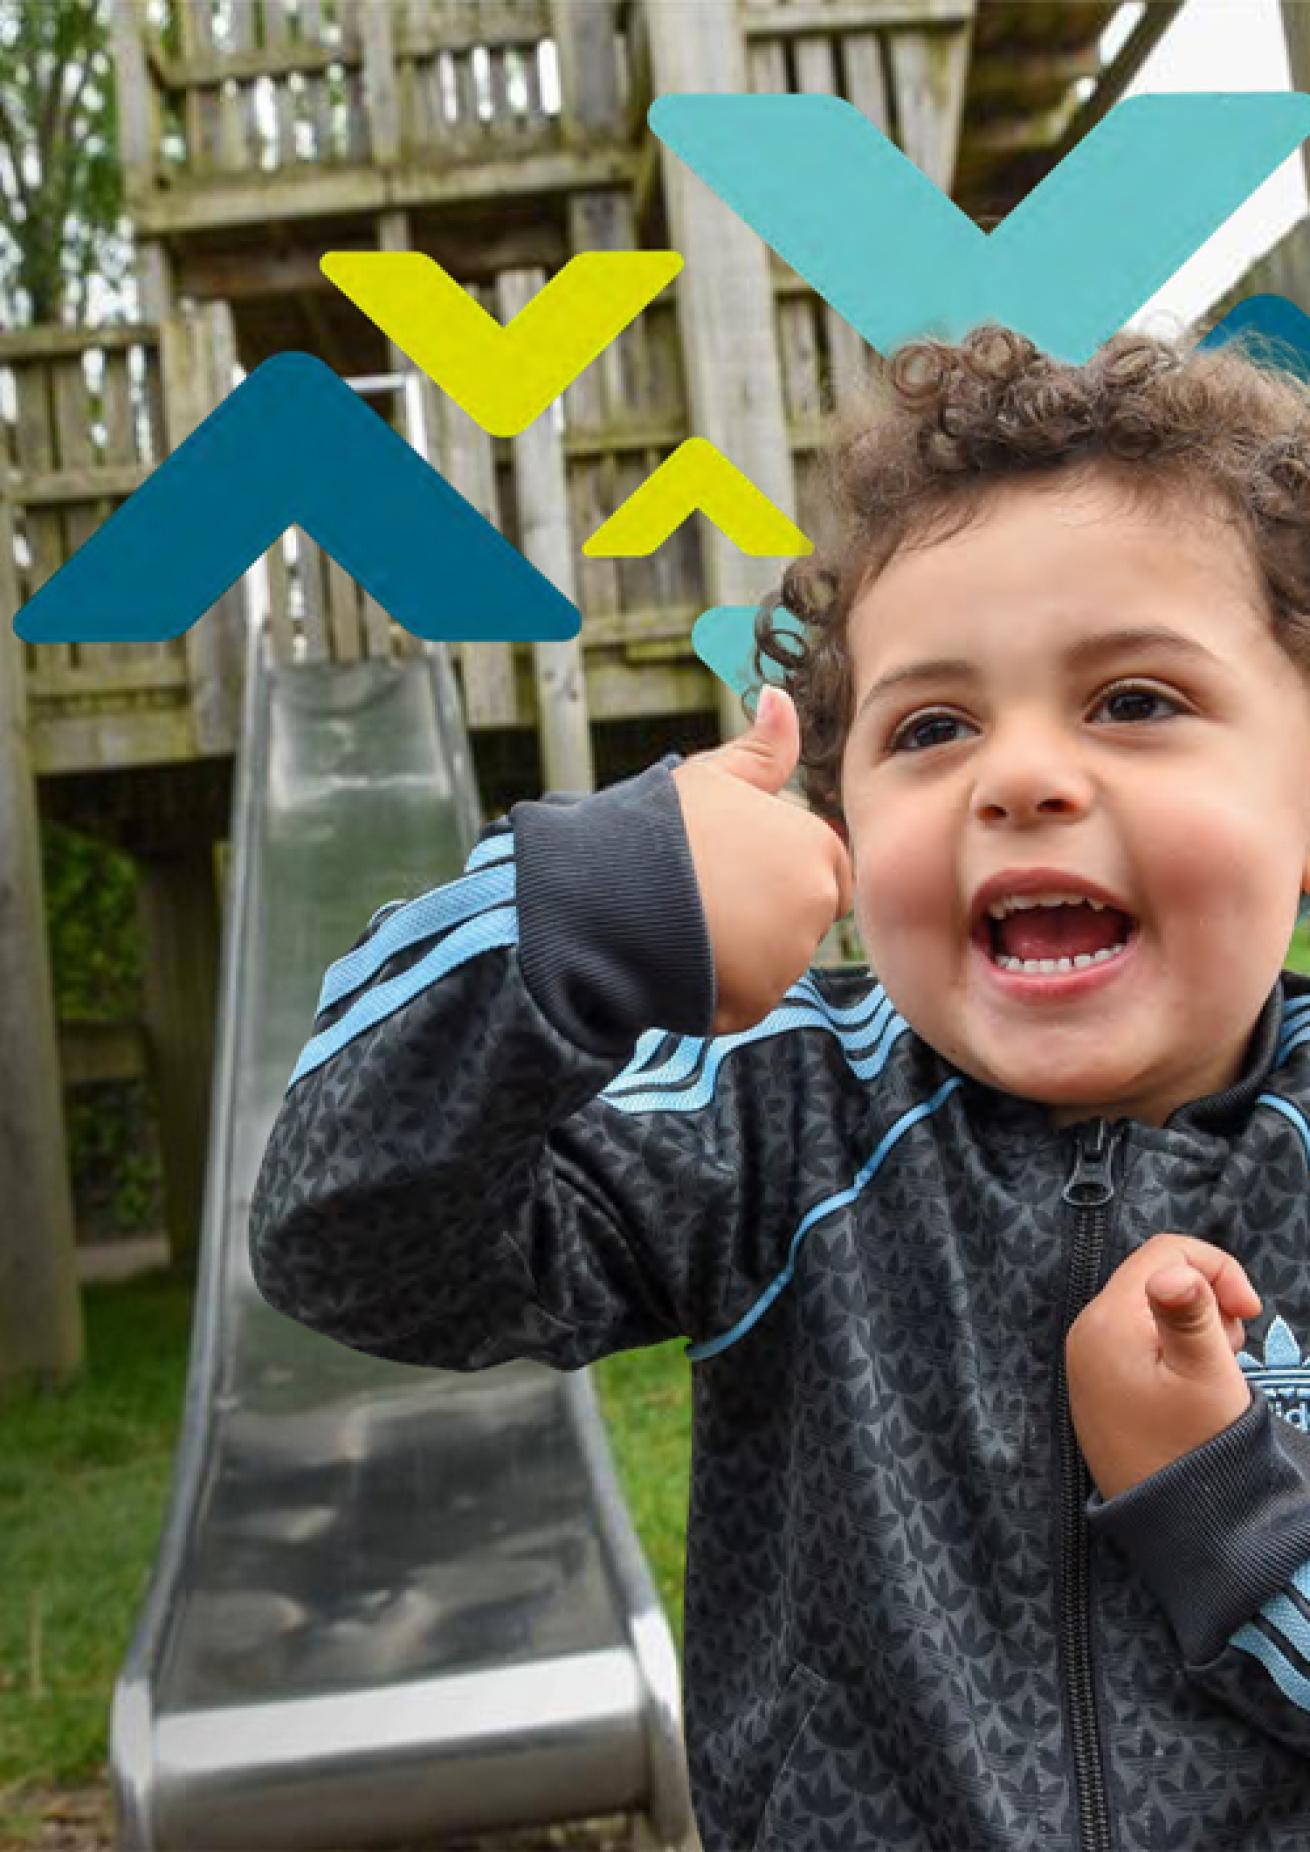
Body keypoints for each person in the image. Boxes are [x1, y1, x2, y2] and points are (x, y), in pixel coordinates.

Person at [248, 322, 1310, 1851]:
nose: (1019, 776)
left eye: (1133, 700)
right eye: (930, 728)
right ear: (842, 822)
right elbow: (352, 1244)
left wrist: (1220, 1495)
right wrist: (589, 912)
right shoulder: (777, 1120)